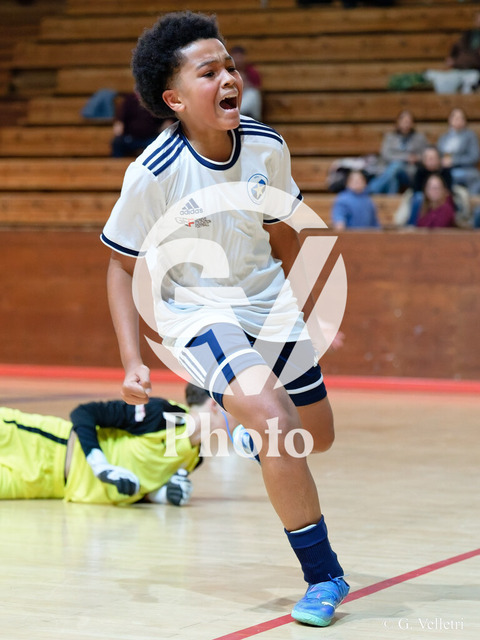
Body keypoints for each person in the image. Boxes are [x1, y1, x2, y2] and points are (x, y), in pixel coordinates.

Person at [101, 11, 349, 628]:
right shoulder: (153, 174)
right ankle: (324, 576)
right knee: (277, 423)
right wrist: (132, 360)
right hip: (196, 313)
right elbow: (121, 267)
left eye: (229, 66)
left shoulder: (267, 147)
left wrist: (307, 312)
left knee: (316, 437)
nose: (228, 78)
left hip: (268, 302)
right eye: (208, 72)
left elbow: (283, 232)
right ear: (175, 99)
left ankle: (243, 427)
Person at [0, 383, 228, 505]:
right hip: (41, 443)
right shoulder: (160, 414)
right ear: (215, 405)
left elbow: (134, 485)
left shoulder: (194, 459)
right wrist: (99, 464)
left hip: (48, 488)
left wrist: (160, 495)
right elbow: (84, 413)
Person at [367, 110, 428, 195]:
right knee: (394, 175)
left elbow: (426, 155)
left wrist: (417, 158)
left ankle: (371, 189)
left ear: (413, 123)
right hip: (391, 170)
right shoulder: (390, 137)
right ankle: (391, 200)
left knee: (395, 167)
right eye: (404, 121)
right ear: (398, 122)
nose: (406, 124)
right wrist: (406, 157)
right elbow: (386, 154)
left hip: (410, 173)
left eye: (408, 121)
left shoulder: (419, 138)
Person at [111, 92, 175, 158]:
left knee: (164, 143)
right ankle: (116, 163)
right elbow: (120, 121)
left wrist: (166, 125)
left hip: (152, 138)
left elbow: (168, 119)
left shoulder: (156, 101)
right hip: (131, 138)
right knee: (117, 142)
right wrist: (119, 125)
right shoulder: (129, 100)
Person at [437, 107, 480, 195]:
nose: (458, 120)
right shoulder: (443, 137)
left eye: (461, 118)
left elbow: (474, 157)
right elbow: (438, 154)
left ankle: (471, 200)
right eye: (455, 117)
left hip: (464, 169)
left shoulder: (470, 136)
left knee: (469, 176)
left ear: (465, 121)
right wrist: (441, 161)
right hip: (444, 170)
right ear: (450, 120)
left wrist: (454, 161)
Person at [230, 46, 262, 120]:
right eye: (236, 57)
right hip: (233, 96)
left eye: (240, 57)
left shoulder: (251, 71)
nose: (238, 60)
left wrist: (245, 85)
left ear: (244, 57)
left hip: (247, 98)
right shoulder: (227, 71)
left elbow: (258, 89)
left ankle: (236, 112)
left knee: (253, 94)